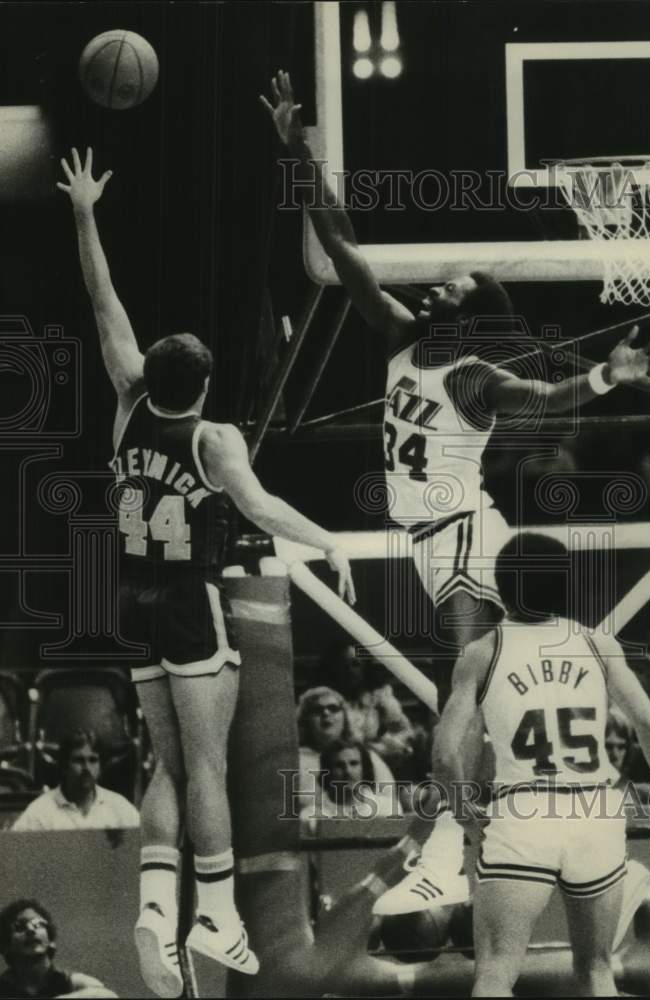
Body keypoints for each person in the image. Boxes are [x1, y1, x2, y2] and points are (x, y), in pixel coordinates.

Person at [262, 70, 650, 913]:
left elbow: (551, 398)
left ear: (472, 315)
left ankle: (470, 833)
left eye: (452, 285)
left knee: (474, 678)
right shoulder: (401, 335)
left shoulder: (477, 376)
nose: (437, 283)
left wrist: (609, 373)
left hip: (462, 537)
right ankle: (561, 794)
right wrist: (297, 153)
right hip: (437, 537)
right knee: (521, 668)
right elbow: (342, 249)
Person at [57, 148, 355, 999]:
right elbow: (261, 512)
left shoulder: (124, 398)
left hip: (131, 600)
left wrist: (84, 211)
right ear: (209, 380)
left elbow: (101, 297)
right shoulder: (214, 439)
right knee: (208, 768)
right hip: (191, 601)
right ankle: (215, 911)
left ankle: (155, 908)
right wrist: (328, 541)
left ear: (149, 371)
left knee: (164, 765)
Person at [432, 531, 650, 997]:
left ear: (500, 588)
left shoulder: (482, 652)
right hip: (595, 812)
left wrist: (467, 821)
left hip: (525, 812)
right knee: (597, 971)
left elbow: (443, 754)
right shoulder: (599, 645)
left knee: (496, 971)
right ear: (564, 586)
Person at [12, 731, 139, 832]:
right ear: (65, 766)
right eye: (78, 760)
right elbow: (14, 856)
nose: (87, 768)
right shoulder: (39, 814)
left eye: (93, 760)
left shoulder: (120, 809)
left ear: (100, 767)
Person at [321, 641, 415, 772]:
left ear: (364, 667)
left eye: (355, 664)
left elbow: (404, 731)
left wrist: (381, 748)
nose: (348, 671)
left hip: (375, 763)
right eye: (342, 666)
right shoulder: (323, 701)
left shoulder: (378, 696)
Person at [296, 687, 395, 806]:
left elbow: (387, 799)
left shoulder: (365, 756)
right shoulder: (296, 760)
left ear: (345, 716)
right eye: (317, 710)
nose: (326, 713)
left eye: (333, 708)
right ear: (305, 719)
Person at [0, 899, 117, 998]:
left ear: (50, 941)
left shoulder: (71, 982)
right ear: (6, 945)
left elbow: (109, 995)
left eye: (38, 924)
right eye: (19, 927)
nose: (31, 930)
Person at [301, 738, 399, 824]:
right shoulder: (311, 816)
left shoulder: (387, 809)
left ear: (364, 769)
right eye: (339, 765)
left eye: (354, 763)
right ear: (328, 772)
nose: (348, 771)